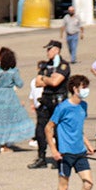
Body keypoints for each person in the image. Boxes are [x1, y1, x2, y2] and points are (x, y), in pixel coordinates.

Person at [46, 74, 95, 190]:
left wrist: (88, 145)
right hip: (65, 153)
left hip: (80, 152)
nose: (86, 90)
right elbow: (48, 128)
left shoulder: (84, 106)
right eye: (83, 87)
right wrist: (53, 149)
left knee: (88, 183)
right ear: (75, 89)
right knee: (63, 187)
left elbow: (78, 129)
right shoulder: (63, 107)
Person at [28, 40, 70, 169]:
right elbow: (37, 82)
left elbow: (56, 82)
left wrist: (47, 80)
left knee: (58, 131)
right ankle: (41, 157)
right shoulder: (45, 66)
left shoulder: (63, 65)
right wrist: (49, 80)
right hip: (46, 100)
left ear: (56, 50)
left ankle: (60, 158)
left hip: (58, 101)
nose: (47, 52)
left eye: (49, 49)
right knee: (40, 130)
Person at [0, 47, 35, 153]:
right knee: (10, 121)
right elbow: (20, 84)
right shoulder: (13, 71)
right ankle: (6, 143)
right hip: (9, 97)